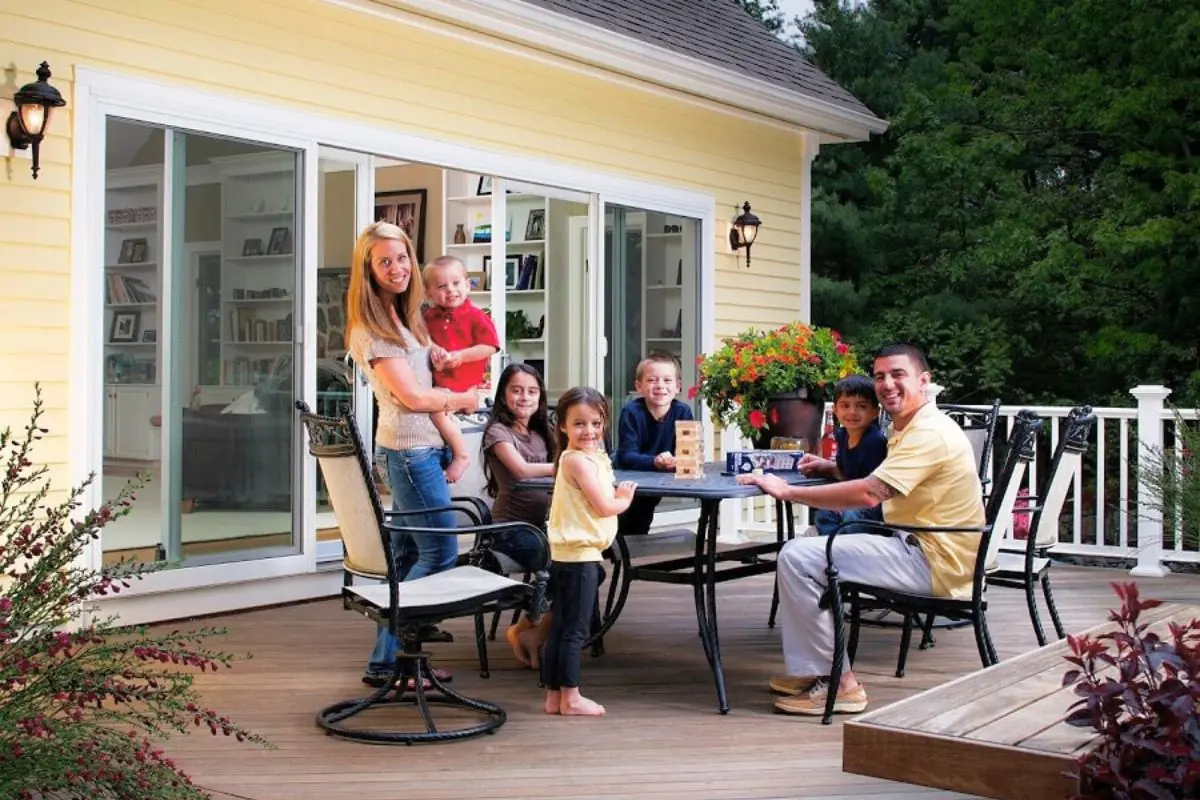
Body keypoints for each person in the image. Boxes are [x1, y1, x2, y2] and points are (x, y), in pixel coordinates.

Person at [737, 344, 984, 717]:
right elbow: (875, 479)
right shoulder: (911, 425)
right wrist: (833, 469)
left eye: (897, 374)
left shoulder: (929, 433)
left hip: (933, 559)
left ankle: (842, 684)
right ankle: (817, 670)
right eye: (880, 376)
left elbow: (870, 493)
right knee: (806, 552)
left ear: (924, 380)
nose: (887, 384)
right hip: (916, 542)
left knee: (798, 556)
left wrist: (787, 491)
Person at [345, 221, 480, 689]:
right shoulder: (374, 328)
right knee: (440, 551)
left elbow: (421, 380)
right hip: (410, 451)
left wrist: (437, 357)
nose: (398, 267)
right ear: (369, 269)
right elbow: (413, 398)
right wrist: (461, 399)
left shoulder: (404, 317)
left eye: (402, 257)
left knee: (405, 558)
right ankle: (403, 655)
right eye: (385, 261)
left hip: (415, 448)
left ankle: (389, 664)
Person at [542, 387, 636, 716]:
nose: (590, 431)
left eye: (596, 423)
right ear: (563, 426)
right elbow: (604, 505)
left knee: (561, 626)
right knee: (575, 630)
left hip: (568, 555)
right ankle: (571, 696)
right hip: (579, 556)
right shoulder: (578, 462)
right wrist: (624, 498)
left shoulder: (585, 457)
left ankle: (553, 696)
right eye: (579, 424)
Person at [478, 363, 557, 668]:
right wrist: (567, 465)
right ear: (503, 395)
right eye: (517, 390)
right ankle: (533, 629)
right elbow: (522, 471)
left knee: (587, 566)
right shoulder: (498, 432)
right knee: (562, 564)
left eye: (532, 391)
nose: (525, 397)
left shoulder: (542, 432)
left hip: (541, 526)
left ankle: (529, 630)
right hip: (509, 530)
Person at [614, 353, 694, 537]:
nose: (660, 386)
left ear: (677, 386)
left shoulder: (683, 411)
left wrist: (679, 461)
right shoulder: (632, 412)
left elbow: (687, 452)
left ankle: (632, 561)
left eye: (667, 380)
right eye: (652, 380)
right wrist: (655, 462)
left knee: (641, 523)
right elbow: (625, 456)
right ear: (638, 386)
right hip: (627, 480)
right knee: (626, 525)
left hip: (658, 479)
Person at [799, 374, 888, 536]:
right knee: (824, 511)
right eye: (845, 405)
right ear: (836, 410)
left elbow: (872, 488)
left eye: (861, 406)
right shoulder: (841, 435)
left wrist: (845, 502)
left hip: (873, 503)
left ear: (875, 411)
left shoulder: (875, 441)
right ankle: (829, 544)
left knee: (852, 516)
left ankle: (844, 548)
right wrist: (826, 467)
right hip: (852, 497)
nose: (852, 412)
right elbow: (845, 472)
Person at [422, 255, 500, 393]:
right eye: (442, 286)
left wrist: (462, 356)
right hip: (436, 384)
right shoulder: (428, 318)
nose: (450, 289)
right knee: (436, 409)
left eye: (456, 283)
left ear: (468, 285)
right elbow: (421, 339)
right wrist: (435, 349)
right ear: (428, 293)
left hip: (468, 386)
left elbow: (490, 346)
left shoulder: (476, 316)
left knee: (441, 411)